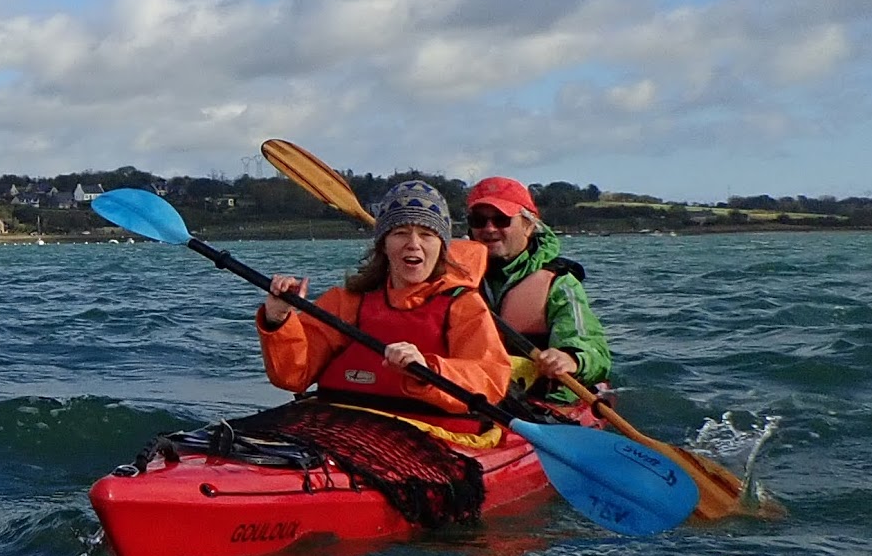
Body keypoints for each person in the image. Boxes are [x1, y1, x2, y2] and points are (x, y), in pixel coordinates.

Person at [257, 180, 511, 429]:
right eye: (400, 233)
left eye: (427, 234)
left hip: (433, 434)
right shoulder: (346, 301)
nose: (413, 243)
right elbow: (292, 376)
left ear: (442, 247)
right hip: (344, 427)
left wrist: (429, 370)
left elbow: (490, 381)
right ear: (384, 246)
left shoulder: (463, 305)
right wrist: (278, 319)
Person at [464, 177, 611, 403]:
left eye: (502, 219)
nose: (489, 228)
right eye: (479, 220)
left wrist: (571, 359)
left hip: (541, 401)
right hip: (475, 393)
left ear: (529, 226)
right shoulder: (452, 278)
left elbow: (593, 350)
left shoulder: (560, 283)